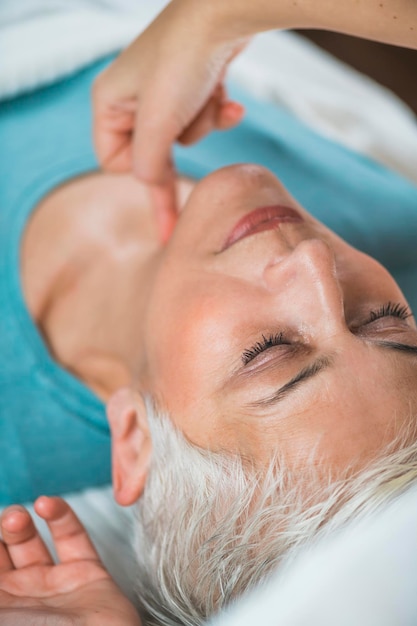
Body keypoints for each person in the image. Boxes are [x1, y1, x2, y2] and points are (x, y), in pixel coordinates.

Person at [1, 0, 417, 624]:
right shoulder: (401, 224)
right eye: (385, 321)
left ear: (136, 439)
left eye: (272, 352)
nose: (313, 264)